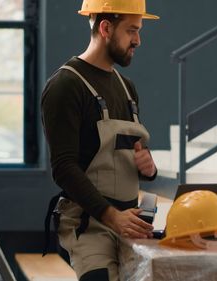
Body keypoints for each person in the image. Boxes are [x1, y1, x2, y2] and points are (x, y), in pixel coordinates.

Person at [40, 0, 159, 280]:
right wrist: (111, 216)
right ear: (105, 27)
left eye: (139, 30)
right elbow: (64, 167)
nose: (138, 40)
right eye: (131, 31)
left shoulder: (126, 88)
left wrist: (148, 167)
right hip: (89, 223)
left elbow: (127, 155)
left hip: (130, 219)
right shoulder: (65, 86)